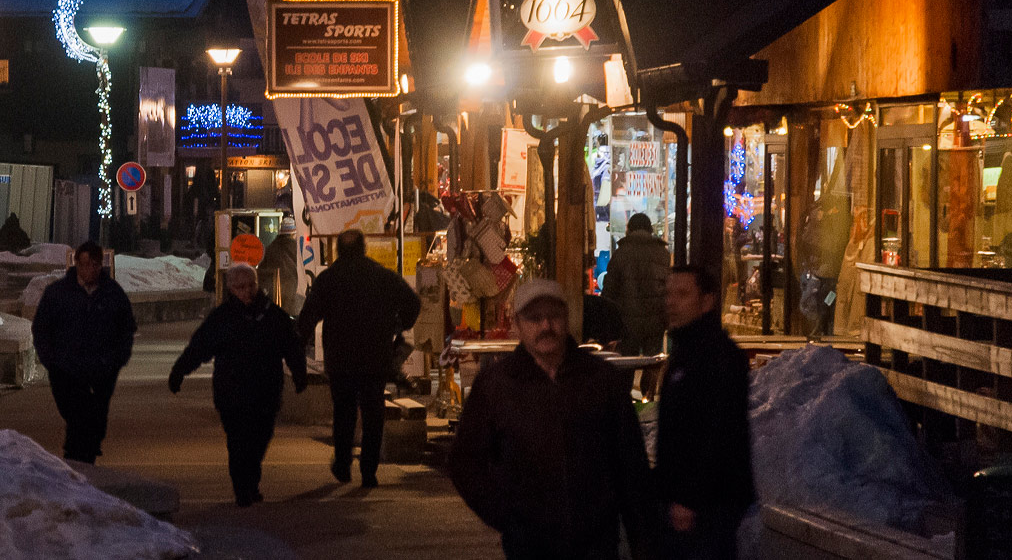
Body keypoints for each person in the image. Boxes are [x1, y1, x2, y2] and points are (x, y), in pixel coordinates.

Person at [450, 279, 651, 560]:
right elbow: (465, 460)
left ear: (567, 320)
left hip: (596, 542)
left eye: (554, 316)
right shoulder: (497, 384)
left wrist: (641, 538)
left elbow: (630, 463)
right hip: (530, 544)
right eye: (534, 318)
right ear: (517, 325)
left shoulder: (600, 380)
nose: (546, 326)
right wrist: (505, 515)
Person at [169, 263, 308, 506]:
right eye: (240, 287)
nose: (247, 292)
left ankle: (251, 480)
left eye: (250, 285)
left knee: (260, 438)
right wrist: (179, 371)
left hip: (266, 390)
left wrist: (299, 374)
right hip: (231, 391)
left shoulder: (273, 315)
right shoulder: (222, 318)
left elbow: (292, 347)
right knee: (237, 441)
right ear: (231, 288)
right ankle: (243, 488)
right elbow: (200, 347)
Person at [297, 228, 421, 488]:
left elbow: (308, 318)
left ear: (338, 250)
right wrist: (399, 324)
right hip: (375, 356)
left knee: (344, 411)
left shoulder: (329, 279)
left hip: (340, 358)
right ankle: (369, 470)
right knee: (373, 412)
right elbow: (413, 302)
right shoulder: (383, 277)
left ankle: (343, 464)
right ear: (364, 248)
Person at [656, 268, 755, 559]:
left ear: (707, 301)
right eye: (669, 293)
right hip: (693, 500)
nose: (671, 302)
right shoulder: (686, 351)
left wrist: (689, 498)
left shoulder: (718, 358)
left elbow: (718, 431)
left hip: (709, 504)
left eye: (682, 294)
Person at [32, 241, 137, 464]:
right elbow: (42, 328)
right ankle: (77, 455)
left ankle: (84, 456)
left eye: (94, 264)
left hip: (102, 368)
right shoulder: (58, 294)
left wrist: (117, 359)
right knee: (77, 414)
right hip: (66, 369)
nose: (90, 269)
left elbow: (126, 327)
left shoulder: (112, 294)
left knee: (95, 416)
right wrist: (51, 360)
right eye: (85, 264)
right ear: (77, 265)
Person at [604, 213, 671, 355]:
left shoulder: (621, 253)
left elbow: (609, 291)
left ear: (630, 229)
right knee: (652, 364)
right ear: (650, 230)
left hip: (627, 323)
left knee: (627, 364)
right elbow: (668, 288)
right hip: (656, 321)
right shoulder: (663, 254)